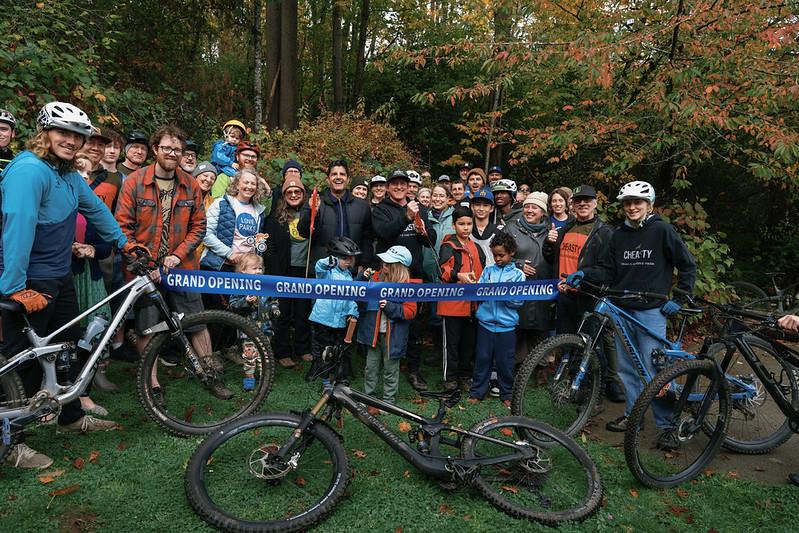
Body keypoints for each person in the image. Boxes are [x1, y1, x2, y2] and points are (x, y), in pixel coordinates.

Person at [0, 102, 133, 469]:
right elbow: (18, 225)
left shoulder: (68, 174)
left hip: (58, 277)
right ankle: (11, 444)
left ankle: (70, 417)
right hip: (27, 281)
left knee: (66, 348)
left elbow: (96, 211)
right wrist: (14, 287)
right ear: (44, 134)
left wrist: (125, 243)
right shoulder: (30, 171)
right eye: (63, 133)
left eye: (78, 135)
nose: (71, 141)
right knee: (18, 362)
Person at [566, 180, 696, 446]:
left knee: (655, 370)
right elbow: (609, 271)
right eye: (628, 203)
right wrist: (586, 274)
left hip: (651, 309)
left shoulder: (662, 230)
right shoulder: (619, 235)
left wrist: (680, 297)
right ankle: (633, 416)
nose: (632, 207)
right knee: (627, 368)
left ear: (649, 205)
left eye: (638, 202)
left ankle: (668, 425)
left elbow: (687, 265)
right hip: (623, 308)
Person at [115, 124, 229, 399]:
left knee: (198, 321)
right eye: (166, 148)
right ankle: (151, 383)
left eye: (177, 149)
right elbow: (121, 226)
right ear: (155, 149)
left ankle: (210, 374)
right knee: (147, 325)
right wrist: (143, 260)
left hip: (183, 267)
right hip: (144, 269)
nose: (172, 153)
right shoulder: (134, 182)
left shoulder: (189, 184)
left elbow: (199, 226)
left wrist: (178, 255)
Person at [544, 184, 623, 403]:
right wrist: (548, 245)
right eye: (578, 200)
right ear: (572, 205)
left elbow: (608, 269)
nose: (582, 204)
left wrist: (583, 275)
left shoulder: (605, 232)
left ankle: (596, 391)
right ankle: (574, 385)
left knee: (592, 345)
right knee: (569, 342)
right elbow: (553, 259)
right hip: (566, 295)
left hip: (589, 296)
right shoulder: (565, 228)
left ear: (595, 203)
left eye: (587, 200)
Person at [372, 169, 436, 390]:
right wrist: (405, 217)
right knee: (388, 321)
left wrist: (422, 230)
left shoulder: (419, 207)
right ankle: (386, 367)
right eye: (394, 184)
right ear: (388, 187)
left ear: (409, 186)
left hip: (414, 275)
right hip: (389, 276)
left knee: (415, 324)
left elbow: (430, 241)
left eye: (403, 183)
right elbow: (383, 233)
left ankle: (414, 370)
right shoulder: (380, 209)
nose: (399, 187)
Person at [357, 246, 418, 410]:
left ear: (398, 267)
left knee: (391, 370)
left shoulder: (408, 286)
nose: (383, 264)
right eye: (384, 261)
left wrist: (390, 307)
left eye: (388, 262)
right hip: (374, 334)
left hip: (394, 338)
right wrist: (362, 278)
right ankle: (368, 397)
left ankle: (388, 402)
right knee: (370, 367)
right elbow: (356, 293)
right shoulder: (374, 278)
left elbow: (410, 312)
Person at [468, 232, 524, 407]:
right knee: (482, 358)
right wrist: (475, 288)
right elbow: (480, 292)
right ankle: (478, 391)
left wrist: (504, 293)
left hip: (506, 327)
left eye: (501, 255)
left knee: (505, 361)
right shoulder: (488, 270)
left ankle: (507, 393)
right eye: (495, 255)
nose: (498, 259)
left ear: (512, 252)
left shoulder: (518, 275)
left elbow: (518, 301)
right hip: (485, 324)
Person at [264, 171, 312, 368]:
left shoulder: (312, 213)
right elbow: (270, 247)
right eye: (289, 191)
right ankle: (282, 351)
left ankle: (303, 348)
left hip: (304, 270)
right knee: (283, 312)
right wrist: (276, 274)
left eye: (297, 191)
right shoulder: (276, 217)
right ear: (284, 195)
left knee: (302, 312)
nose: (293, 194)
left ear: (303, 193)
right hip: (283, 271)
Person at [438, 206, 485, 391]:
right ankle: (450, 378)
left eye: (469, 224)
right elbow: (442, 270)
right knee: (452, 345)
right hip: (452, 305)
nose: (466, 228)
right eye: (461, 224)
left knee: (468, 344)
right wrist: (459, 276)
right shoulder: (448, 246)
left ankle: (465, 376)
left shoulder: (476, 247)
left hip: (472, 305)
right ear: (453, 225)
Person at [298, 159, 374, 273]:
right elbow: (303, 232)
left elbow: (368, 239)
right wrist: (312, 212)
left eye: (342, 174)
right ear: (328, 180)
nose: (338, 177)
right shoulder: (316, 202)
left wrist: (363, 264)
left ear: (348, 180)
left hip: (351, 269)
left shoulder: (362, 206)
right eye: (334, 174)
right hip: (323, 269)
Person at [504, 191, 554, 364]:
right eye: (527, 207)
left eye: (535, 207)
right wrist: (517, 264)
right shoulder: (511, 227)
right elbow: (498, 254)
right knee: (517, 327)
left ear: (543, 212)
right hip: (518, 287)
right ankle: (514, 364)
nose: (530, 210)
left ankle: (541, 367)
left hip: (543, 289)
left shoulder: (551, 230)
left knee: (540, 327)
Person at [306, 236, 360, 381]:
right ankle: (317, 370)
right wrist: (329, 261)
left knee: (336, 349)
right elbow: (319, 267)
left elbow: (351, 298)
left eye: (350, 258)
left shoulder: (349, 276)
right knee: (321, 348)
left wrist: (352, 312)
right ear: (335, 257)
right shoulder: (327, 273)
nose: (348, 261)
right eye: (344, 257)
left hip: (340, 321)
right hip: (322, 319)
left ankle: (335, 375)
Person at [201, 168, 268, 276]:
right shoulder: (221, 203)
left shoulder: (259, 211)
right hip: (219, 266)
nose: (249, 186)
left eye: (253, 184)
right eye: (246, 182)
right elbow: (205, 233)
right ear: (237, 184)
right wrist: (229, 253)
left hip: (247, 270)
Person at [228, 253, 275, 390]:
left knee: (265, 357)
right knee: (249, 357)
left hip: (265, 329)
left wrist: (274, 309)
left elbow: (273, 301)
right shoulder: (239, 287)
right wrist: (245, 302)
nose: (258, 271)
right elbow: (233, 305)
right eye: (254, 268)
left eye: (260, 268)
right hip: (247, 331)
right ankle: (249, 379)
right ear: (243, 270)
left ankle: (265, 381)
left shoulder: (266, 286)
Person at [211, 140, 271, 205]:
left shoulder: (258, 181)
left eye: (253, 157)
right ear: (237, 157)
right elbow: (218, 206)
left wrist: (268, 192)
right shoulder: (224, 178)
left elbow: (264, 211)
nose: (250, 159)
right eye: (246, 155)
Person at [469, 187, 499, 267]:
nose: (481, 209)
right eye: (478, 205)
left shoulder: (498, 232)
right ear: (472, 207)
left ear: (491, 208)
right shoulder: (466, 231)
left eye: (485, 205)